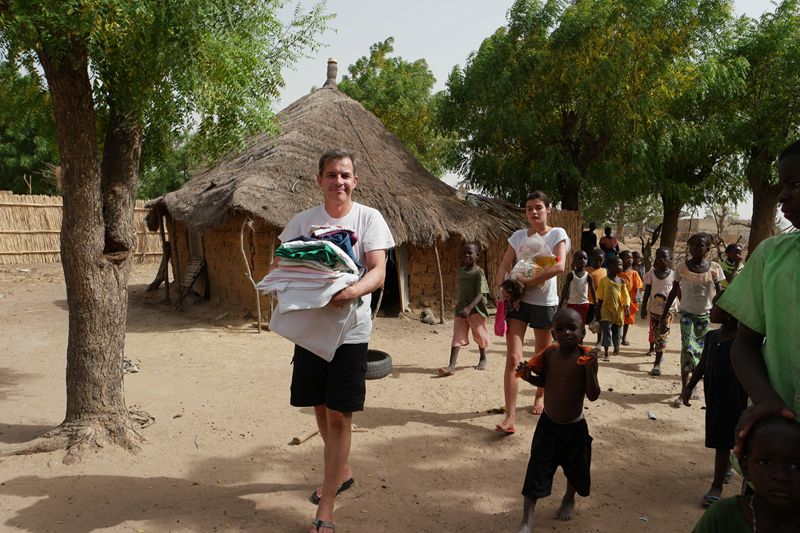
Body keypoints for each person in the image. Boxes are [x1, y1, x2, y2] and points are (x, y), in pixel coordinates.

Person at [279, 149, 395, 533]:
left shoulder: (369, 218)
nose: (339, 181)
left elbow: (378, 270)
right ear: (320, 181)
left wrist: (351, 292)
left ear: (355, 181)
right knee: (319, 405)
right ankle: (341, 470)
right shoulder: (303, 221)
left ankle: (326, 506)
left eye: (345, 175)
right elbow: (280, 263)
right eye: (331, 175)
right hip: (312, 330)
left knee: (339, 415)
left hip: (351, 331)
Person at [716, 140, 800, 456]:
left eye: (795, 185)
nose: (781, 196)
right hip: (777, 444)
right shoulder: (771, 256)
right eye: (782, 185)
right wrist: (766, 399)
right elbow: (744, 343)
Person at [515, 308, 600, 532]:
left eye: (572, 328)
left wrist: (590, 370)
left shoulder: (586, 359)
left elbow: (593, 395)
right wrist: (528, 376)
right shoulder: (550, 355)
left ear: (583, 332)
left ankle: (569, 498)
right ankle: (527, 519)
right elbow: (543, 381)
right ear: (553, 334)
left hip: (575, 427)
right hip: (548, 426)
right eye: (560, 329)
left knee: (575, 468)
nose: (566, 333)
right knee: (536, 469)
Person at [494, 191, 570, 433]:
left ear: (549, 209)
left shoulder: (558, 234)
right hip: (519, 304)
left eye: (538, 207)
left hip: (544, 304)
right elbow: (504, 265)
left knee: (540, 356)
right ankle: (510, 417)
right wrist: (503, 287)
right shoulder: (518, 236)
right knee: (513, 359)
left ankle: (539, 395)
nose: (534, 212)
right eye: (529, 208)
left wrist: (527, 281)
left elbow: (559, 266)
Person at [680, 302, 748, 508]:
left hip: (734, 396)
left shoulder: (741, 340)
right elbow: (703, 364)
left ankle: (716, 487)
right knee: (721, 436)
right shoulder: (711, 337)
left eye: (716, 307)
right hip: (714, 394)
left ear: (729, 314)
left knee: (724, 440)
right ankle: (725, 467)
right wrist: (689, 387)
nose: (711, 310)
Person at [691, 416, 800, 532]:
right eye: (765, 462)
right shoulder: (722, 517)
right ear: (746, 468)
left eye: (796, 466)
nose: (781, 476)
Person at [661, 233, 723, 396]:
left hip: (705, 316)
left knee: (700, 351)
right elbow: (674, 291)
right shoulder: (681, 268)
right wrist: (664, 315)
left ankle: (692, 384)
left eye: (700, 245)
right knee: (687, 348)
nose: (695, 247)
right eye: (693, 244)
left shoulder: (715, 268)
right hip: (687, 314)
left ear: (707, 249)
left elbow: (720, 292)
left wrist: (722, 311)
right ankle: (684, 386)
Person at [438, 243, 490, 376]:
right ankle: (451, 366)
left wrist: (469, 307)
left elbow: (481, 293)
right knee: (457, 336)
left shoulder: (479, 272)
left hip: (475, 310)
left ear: (477, 256)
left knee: (479, 335)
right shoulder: (461, 271)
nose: (467, 255)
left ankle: (483, 357)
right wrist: (463, 307)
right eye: (464, 253)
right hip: (461, 310)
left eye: (470, 253)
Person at [640, 247, 678, 376]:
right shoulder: (651, 274)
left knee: (662, 334)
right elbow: (647, 292)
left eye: (664, 257)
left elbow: (677, 291)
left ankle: (657, 364)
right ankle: (659, 353)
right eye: (658, 257)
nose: (661, 260)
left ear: (670, 259)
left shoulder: (674, 275)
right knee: (656, 334)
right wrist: (643, 308)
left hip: (669, 311)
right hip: (654, 310)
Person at [595, 256, 630, 360]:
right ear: (610, 266)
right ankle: (606, 353)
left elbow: (626, 296)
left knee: (617, 333)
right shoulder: (604, 281)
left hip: (618, 312)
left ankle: (617, 346)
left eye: (621, 265)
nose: (621, 267)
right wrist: (598, 312)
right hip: (606, 311)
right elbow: (600, 298)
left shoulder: (622, 281)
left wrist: (627, 306)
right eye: (619, 264)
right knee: (606, 332)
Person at [559, 250, 596, 325]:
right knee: (571, 323)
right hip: (572, 304)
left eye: (585, 258)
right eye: (580, 258)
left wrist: (596, 303)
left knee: (581, 323)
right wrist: (561, 303)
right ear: (575, 261)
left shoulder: (588, 276)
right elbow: (565, 289)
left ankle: (581, 333)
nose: (583, 260)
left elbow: (593, 291)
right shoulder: (571, 275)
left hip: (584, 304)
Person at [618, 250, 643, 346]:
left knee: (627, 319)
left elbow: (638, 286)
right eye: (627, 258)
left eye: (631, 258)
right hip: (618, 299)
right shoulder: (617, 272)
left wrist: (637, 296)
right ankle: (616, 336)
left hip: (630, 300)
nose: (630, 260)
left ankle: (624, 337)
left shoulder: (634, 273)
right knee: (617, 318)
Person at [585, 249, 607, 345]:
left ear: (603, 260)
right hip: (587, 301)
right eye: (595, 260)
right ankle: (580, 338)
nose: (597, 262)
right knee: (584, 321)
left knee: (599, 321)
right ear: (591, 259)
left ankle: (599, 341)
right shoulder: (586, 271)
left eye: (600, 260)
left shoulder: (605, 271)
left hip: (599, 302)